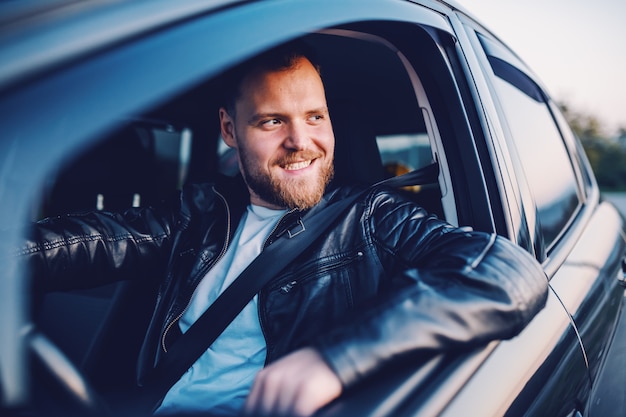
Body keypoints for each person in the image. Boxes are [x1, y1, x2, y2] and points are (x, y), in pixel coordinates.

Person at [21, 42, 549, 417]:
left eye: (315, 117)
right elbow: (95, 240)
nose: (302, 140)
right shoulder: (201, 211)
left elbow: (506, 272)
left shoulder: (369, 219)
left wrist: (334, 360)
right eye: (273, 121)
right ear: (230, 129)